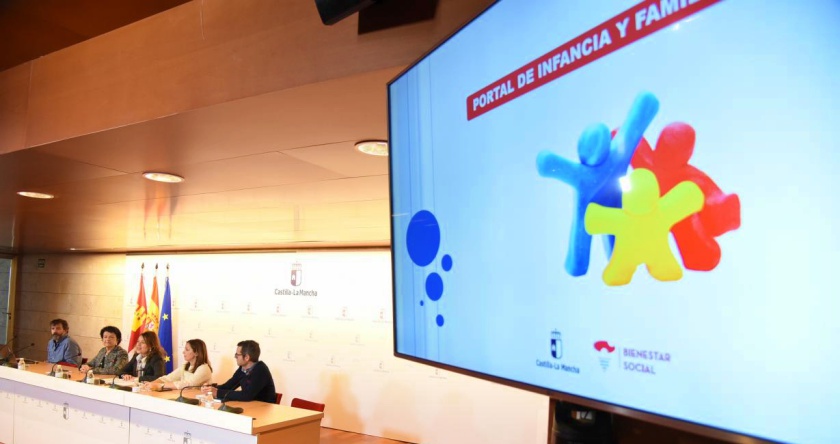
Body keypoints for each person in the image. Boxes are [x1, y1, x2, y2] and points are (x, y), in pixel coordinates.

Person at [202, 340, 275, 403]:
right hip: (250, 406)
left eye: (237, 355)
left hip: (263, 409)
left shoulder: (260, 370)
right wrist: (210, 388)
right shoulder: (242, 369)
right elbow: (228, 386)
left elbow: (247, 395)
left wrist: (218, 392)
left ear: (246, 357)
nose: (235, 357)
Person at [145, 339, 212, 391]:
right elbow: (168, 378)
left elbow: (188, 384)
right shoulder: (185, 366)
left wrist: (160, 385)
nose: (183, 352)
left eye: (187, 350)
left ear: (196, 353)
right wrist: (151, 384)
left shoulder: (204, 368)